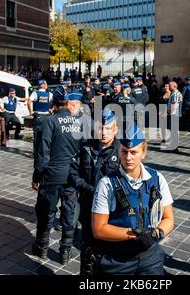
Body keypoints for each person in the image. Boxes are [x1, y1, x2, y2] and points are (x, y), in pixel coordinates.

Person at [91, 124, 174, 275]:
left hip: (150, 257)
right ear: (119, 150)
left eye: (133, 152)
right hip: (117, 260)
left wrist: (157, 232)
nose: (128, 158)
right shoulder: (107, 183)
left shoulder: (157, 178)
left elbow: (169, 218)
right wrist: (134, 234)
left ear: (143, 153)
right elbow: (98, 229)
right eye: (124, 152)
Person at [32, 86, 84, 264]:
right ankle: (65, 252)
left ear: (53, 103)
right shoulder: (78, 122)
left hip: (52, 176)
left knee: (46, 212)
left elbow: (42, 153)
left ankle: (42, 248)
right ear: (67, 102)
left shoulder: (50, 121)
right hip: (71, 175)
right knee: (69, 215)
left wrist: (37, 177)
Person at [69, 108, 120, 275]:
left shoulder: (121, 152)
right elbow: (72, 172)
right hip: (88, 206)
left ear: (115, 130)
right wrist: (88, 188)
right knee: (88, 249)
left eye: (108, 129)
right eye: (100, 128)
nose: (104, 133)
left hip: (112, 212)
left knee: (110, 253)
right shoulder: (86, 147)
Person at [28, 79, 53, 151]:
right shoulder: (49, 94)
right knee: (47, 134)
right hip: (47, 117)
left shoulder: (35, 93)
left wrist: (31, 112)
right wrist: (52, 109)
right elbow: (55, 101)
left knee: (36, 135)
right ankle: (46, 150)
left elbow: (29, 102)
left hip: (38, 116)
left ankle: (35, 151)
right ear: (44, 85)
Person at [165, 81, 182, 151]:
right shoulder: (173, 93)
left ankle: (174, 147)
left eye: (170, 86)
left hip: (174, 114)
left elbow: (175, 104)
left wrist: (170, 113)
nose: (169, 87)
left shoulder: (176, 94)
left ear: (174, 86)